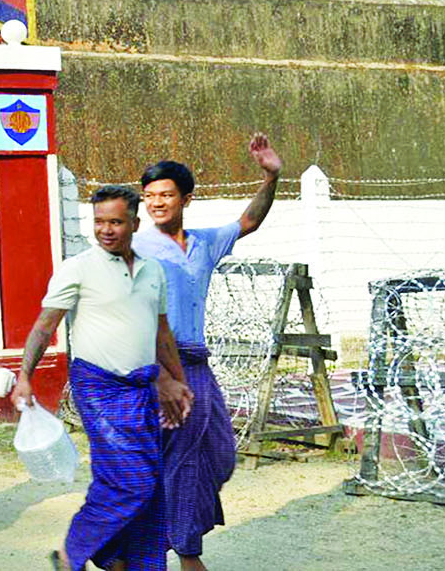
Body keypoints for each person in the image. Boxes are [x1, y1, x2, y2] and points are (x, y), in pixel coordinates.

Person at [13, 185, 193, 571]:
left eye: (115, 222)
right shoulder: (78, 268)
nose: (106, 230)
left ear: (134, 223)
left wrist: (178, 382)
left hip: (142, 389)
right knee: (131, 482)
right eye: (99, 222)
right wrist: (24, 376)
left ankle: (121, 559)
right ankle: (73, 552)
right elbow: (45, 326)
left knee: (150, 485)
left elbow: (162, 335)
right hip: (99, 388)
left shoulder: (153, 271)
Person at [133, 133, 281, 570]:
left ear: (186, 199)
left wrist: (271, 177)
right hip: (159, 365)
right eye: (149, 196)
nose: (157, 203)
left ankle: (146, 543)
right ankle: (186, 553)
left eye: (165, 195)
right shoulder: (136, 249)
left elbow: (248, 221)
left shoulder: (205, 242)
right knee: (180, 459)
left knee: (218, 454)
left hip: (198, 363)